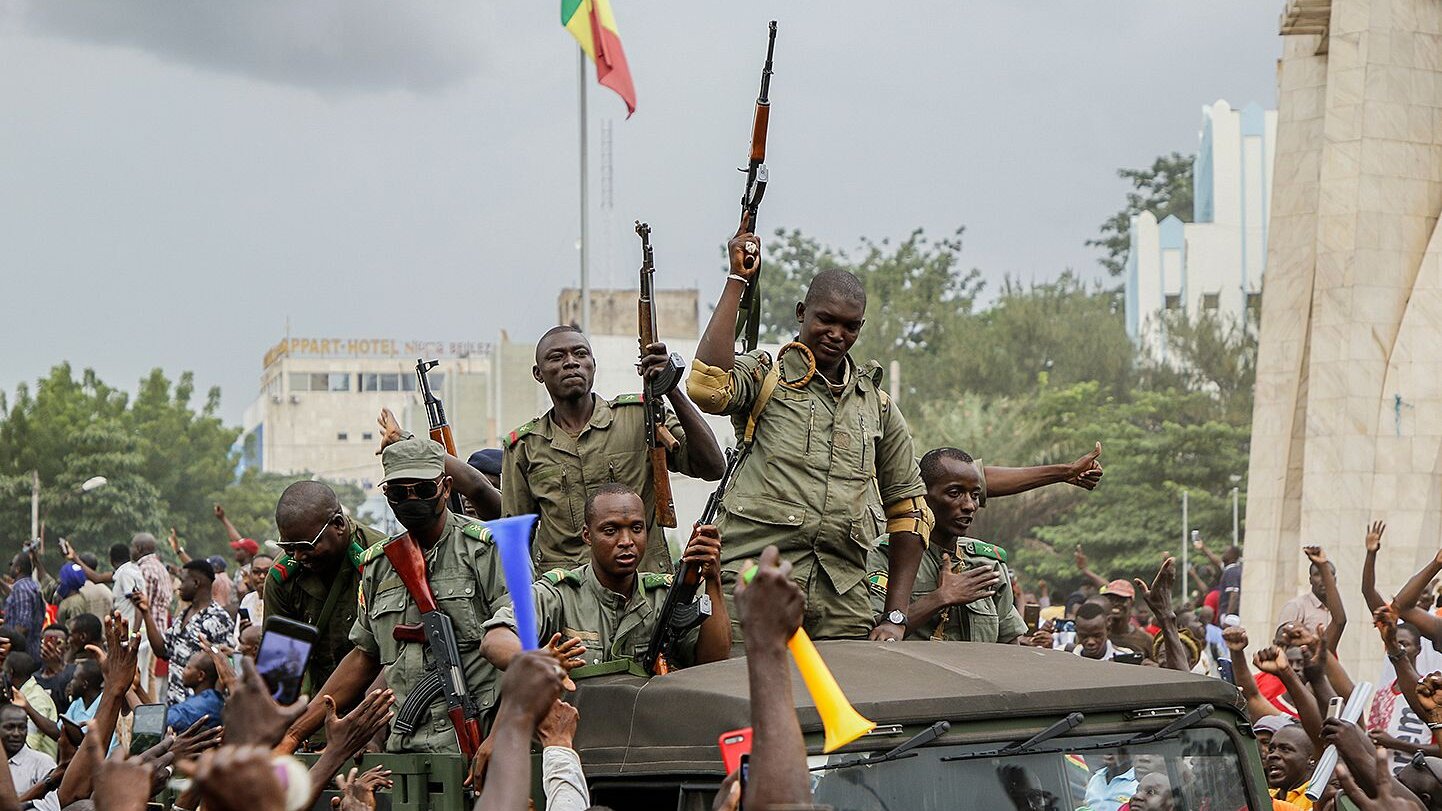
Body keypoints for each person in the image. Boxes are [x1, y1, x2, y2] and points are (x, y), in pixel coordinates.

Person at [691, 250, 1101, 641]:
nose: (836, 335)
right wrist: (737, 280)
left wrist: (895, 615)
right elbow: (706, 386)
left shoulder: (878, 407)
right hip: (753, 582)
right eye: (825, 320)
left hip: (841, 600)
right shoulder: (767, 376)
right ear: (802, 313)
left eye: (849, 326)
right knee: (746, 698)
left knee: (841, 710)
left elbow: (908, 509)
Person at [280, 435, 513, 755]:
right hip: (405, 744)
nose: (411, 499)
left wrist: (499, 737)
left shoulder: (486, 551)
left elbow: (522, 652)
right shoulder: (379, 565)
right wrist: (294, 735)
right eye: (399, 492)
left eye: (423, 489)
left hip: (478, 738)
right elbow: (364, 656)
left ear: (445, 488)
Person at [501, 325, 725, 574]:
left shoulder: (641, 417)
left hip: (644, 587)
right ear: (538, 373)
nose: (571, 363)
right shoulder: (524, 447)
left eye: (580, 354)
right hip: (568, 596)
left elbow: (713, 466)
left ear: (593, 365)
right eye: (557, 357)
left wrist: (670, 387)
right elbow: (515, 542)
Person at [482, 484, 731, 677]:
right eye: (610, 531)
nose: (626, 541)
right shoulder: (559, 594)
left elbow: (713, 662)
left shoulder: (664, 596)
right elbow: (495, 640)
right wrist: (535, 660)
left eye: (636, 528)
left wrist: (713, 581)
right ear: (588, 536)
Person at [865, 448, 1032, 644]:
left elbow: (1011, 645)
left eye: (975, 495)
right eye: (955, 493)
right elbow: (873, 635)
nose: (969, 505)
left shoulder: (986, 564)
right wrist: (939, 598)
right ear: (922, 494)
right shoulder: (884, 556)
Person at [265, 480, 386, 692]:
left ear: (338, 525)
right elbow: (282, 669)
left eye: (306, 546)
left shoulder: (381, 561)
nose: (298, 556)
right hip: (317, 697)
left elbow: (394, 655)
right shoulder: (282, 578)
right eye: (288, 547)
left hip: (379, 692)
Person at [133, 559, 234, 705]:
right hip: (177, 707)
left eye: (183, 581)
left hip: (200, 711)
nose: (179, 587)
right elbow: (162, 650)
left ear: (196, 583)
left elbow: (225, 668)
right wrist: (146, 612)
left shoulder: (218, 619)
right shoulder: (183, 616)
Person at [2, 704, 60, 811]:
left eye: (22, 727)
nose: (16, 733)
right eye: (9, 727)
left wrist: (25, 805)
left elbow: (53, 805)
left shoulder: (42, 763)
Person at [4, 652, 58, 759]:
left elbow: (30, 744)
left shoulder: (37, 699)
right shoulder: (21, 694)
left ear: (10, 673)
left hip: (39, 769)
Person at [166, 652, 224, 732]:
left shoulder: (206, 704)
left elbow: (166, 720)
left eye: (188, 668)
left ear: (200, 675)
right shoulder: (207, 698)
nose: (183, 671)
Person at [1278, 553, 1334, 633]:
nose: (1323, 579)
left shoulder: (1338, 613)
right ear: (1310, 580)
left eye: (1328, 574)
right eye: (1317, 574)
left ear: (1335, 580)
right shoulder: (1295, 606)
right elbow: (1281, 638)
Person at [1265, 724, 1316, 809]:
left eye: (1285, 749)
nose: (1272, 755)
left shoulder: (1317, 800)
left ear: (1311, 759)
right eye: (1271, 750)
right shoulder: (1261, 796)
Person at [1072, 601, 1139, 662]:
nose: (1091, 642)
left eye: (1097, 636)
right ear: (1076, 631)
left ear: (1108, 629)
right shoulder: (1065, 655)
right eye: (1084, 636)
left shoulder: (1125, 658)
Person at [4, 555, 44, 658]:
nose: (10, 568)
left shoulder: (21, 589)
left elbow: (23, 625)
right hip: (33, 648)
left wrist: (10, 648)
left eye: (11, 564)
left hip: (22, 653)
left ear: (18, 569)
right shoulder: (31, 586)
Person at [30, 626, 73, 710]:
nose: (50, 647)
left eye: (58, 643)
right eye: (46, 642)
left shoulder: (74, 673)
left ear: (67, 647)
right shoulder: (34, 678)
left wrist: (56, 668)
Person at [238, 553, 271, 631]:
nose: (262, 576)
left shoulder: (281, 601)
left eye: (267, 572)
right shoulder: (247, 599)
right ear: (250, 575)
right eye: (256, 572)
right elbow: (237, 633)